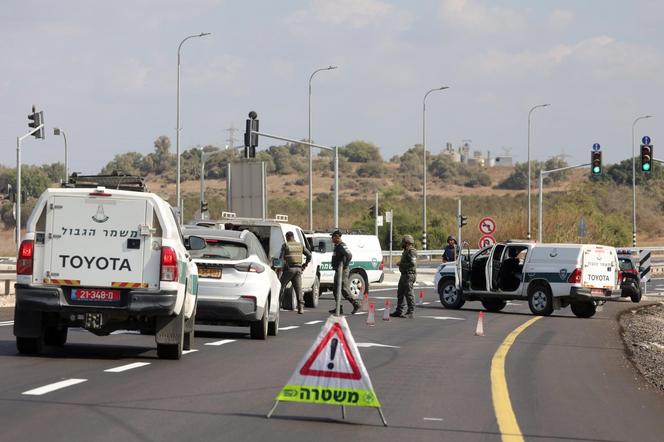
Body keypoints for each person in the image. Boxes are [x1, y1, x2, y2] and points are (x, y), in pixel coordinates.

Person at [278, 231, 312, 314]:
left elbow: (281, 259)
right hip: (298, 269)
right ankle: (301, 308)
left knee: (281, 286)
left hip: (289, 269)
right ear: (293, 237)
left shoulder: (286, 245)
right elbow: (309, 255)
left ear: (287, 237)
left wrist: (279, 267)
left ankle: (277, 305)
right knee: (298, 288)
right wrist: (305, 265)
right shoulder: (300, 245)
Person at [329, 230, 361, 315]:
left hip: (342, 270)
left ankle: (355, 304)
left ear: (337, 237)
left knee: (343, 289)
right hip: (338, 270)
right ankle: (339, 307)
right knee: (335, 289)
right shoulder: (337, 246)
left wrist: (345, 266)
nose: (331, 239)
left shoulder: (342, 246)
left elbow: (349, 255)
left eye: (332, 237)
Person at [391, 234, 417, 319]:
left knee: (409, 293)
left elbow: (412, 263)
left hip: (409, 275)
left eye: (403, 242)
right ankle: (399, 311)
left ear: (407, 242)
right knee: (400, 293)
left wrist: (401, 264)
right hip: (404, 275)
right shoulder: (406, 250)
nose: (402, 244)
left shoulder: (411, 251)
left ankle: (411, 312)